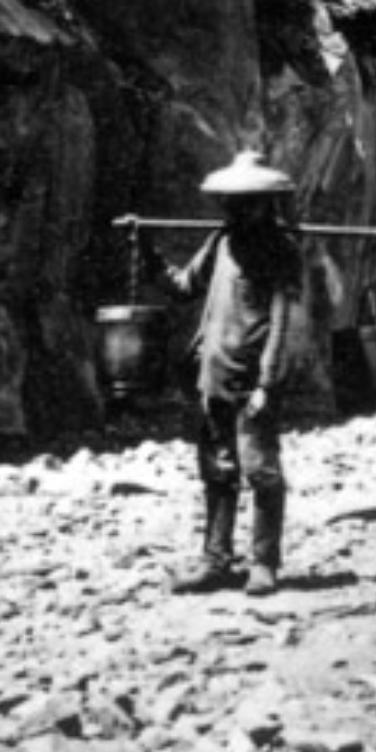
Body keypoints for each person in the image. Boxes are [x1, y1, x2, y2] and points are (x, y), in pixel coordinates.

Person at [145, 150, 304, 597]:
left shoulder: (282, 250)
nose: (235, 209)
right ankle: (215, 560)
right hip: (212, 375)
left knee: (261, 470)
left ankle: (264, 563)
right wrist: (149, 256)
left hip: (252, 380)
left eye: (245, 201)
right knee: (217, 468)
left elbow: (283, 320)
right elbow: (184, 287)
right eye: (230, 201)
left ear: (265, 203)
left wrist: (267, 384)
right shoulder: (220, 242)